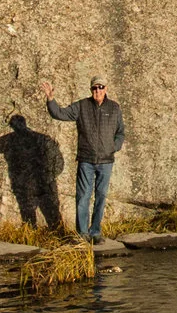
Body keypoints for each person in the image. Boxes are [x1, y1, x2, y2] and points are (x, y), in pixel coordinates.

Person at [41, 77, 125, 241]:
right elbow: (59, 113)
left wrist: (113, 147)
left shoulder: (114, 108)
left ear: (106, 88)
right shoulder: (82, 106)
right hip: (86, 159)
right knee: (83, 197)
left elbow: (120, 132)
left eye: (100, 87)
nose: (97, 91)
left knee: (100, 197)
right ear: (90, 90)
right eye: (94, 88)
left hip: (106, 161)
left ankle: (95, 232)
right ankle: (82, 234)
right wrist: (51, 99)